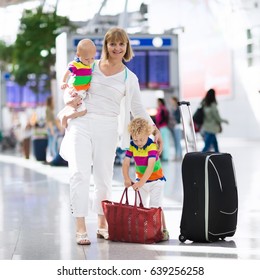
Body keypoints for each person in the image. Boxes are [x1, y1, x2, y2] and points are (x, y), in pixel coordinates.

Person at [59, 27, 163, 245]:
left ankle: (101, 224)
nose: (117, 48)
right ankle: (80, 226)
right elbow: (70, 86)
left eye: (121, 44)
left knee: (103, 178)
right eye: (112, 44)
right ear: (105, 46)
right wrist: (68, 98)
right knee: (79, 173)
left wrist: (155, 129)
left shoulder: (129, 77)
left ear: (126, 47)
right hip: (82, 122)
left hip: (108, 127)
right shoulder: (90, 66)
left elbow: (138, 108)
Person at [122, 117, 169, 241]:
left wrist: (140, 183)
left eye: (141, 139)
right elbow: (126, 163)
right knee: (139, 207)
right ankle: (143, 229)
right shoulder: (132, 146)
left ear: (148, 134)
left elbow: (150, 166)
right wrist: (127, 178)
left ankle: (162, 230)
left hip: (156, 181)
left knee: (156, 207)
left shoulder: (152, 147)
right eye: (135, 139)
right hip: (141, 181)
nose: (138, 142)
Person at [57, 39, 97, 128]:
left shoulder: (90, 65)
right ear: (78, 55)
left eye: (92, 58)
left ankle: (63, 114)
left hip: (81, 91)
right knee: (82, 110)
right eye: (87, 59)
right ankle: (66, 116)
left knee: (78, 108)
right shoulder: (75, 64)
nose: (90, 61)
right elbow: (66, 73)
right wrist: (63, 82)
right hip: (73, 90)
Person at [168, 96, 183, 161]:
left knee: (178, 141)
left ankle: (179, 155)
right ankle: (177, 155)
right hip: (173, 127)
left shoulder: (178, 108)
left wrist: (173, 119)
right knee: (175, 142)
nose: (171, 102)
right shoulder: (172, 108)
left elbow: (178, 118)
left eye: (172, 100)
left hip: (177, 127)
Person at [45, 96, 58, 161]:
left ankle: (50, 157)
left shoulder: (50, 109)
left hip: (51, 128)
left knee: (51, 142)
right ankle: (53, 157)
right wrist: (52, 129)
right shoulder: (48, 109)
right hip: (51, 128)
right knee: (52, 143)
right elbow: (49, 120)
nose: (54, 102)